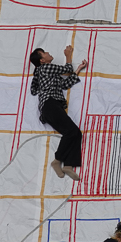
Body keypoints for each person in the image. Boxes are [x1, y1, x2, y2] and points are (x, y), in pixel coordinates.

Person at [30, 45, 87, 180]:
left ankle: (68, 165)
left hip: (53, 106)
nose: (48, 52)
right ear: (42, 60)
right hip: (50, 104)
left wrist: (78, 69)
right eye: (44, 53)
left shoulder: (50, 74)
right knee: (71, 132)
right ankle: (57, 160)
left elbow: (65, 85)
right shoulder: (45, 68)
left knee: (75, 133)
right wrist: (68, 55)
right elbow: (67, 69)